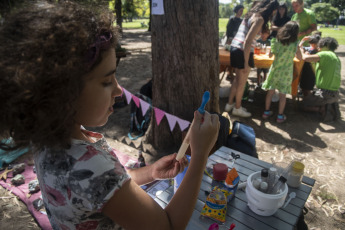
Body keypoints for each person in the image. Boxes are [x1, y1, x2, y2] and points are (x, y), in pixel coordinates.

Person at [0, 2, 220, 230]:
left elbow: (105, 190)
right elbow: (169, 227)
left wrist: (150, 172)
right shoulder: (92, 165)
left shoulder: (47, 140)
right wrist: (200, 154)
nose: (118, 91)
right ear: (61, 95)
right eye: (106, 81)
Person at [224, 0, 279, 117]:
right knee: (241, 83)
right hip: (242, 50)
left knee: (237, 80)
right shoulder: (259, 19)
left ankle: (229, 104)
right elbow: (248, 41)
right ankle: (237, 108)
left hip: (235, 47)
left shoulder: (250, 14)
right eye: (275, 11)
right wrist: (245, 63)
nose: (274, 14)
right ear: (271, 9)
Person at [261, 21, 300, 123]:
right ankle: (280, 116)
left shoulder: (276, 41)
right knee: (283, 95)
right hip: (286, 72)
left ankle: (266, 112)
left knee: (270, 92)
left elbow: (270, 56)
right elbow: (300, 57)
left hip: (275, 70)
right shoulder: (295, 44)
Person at [297, 37, 341, 119]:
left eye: (320, 45)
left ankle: (322, 109)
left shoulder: (325, 54)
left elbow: (305, 58)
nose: (318, 47)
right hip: (334, 93)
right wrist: (312, 61)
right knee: (308, 97)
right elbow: (316, 72)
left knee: (301, 105)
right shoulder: (335, 57)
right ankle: (329, 105)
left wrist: (301, 49)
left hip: (325, 93)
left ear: (326, 46)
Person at [225, 4, 244, 81]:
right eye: (240, 10)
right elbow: (228, 31)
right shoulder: (232, 20)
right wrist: (230, 39)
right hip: (232, 40)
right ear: (237, 11)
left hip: (239, 41)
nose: (241, 12)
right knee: (230, 57)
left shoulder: (242, 21)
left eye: (242, 11)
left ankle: (235, 73)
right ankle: (230, 73)